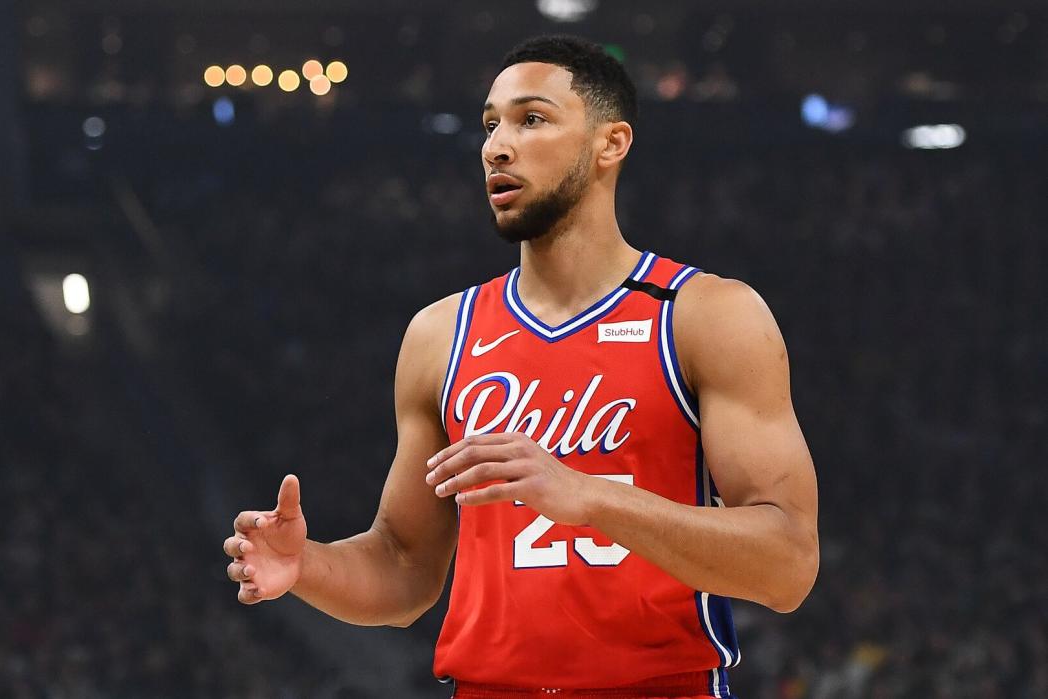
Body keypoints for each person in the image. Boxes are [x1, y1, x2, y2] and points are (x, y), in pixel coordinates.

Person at [223, 35, 818, 698]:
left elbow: (788, 563)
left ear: (610, 144)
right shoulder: (440, 334)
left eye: (531, 119)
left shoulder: (707, 316)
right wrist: (306, 564)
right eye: (490, 124)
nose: (496, 146)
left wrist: (590, 496)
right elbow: (404, 569)